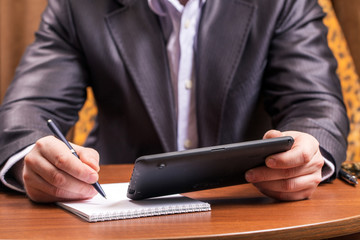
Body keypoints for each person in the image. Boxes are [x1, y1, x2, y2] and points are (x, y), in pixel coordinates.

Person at [0, 0, 349, 203]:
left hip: (245, 204)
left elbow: (315, 105)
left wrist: (305, 155)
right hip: (118, 214)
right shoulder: (77, 6)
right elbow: (28, 110)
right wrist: (32, 160)